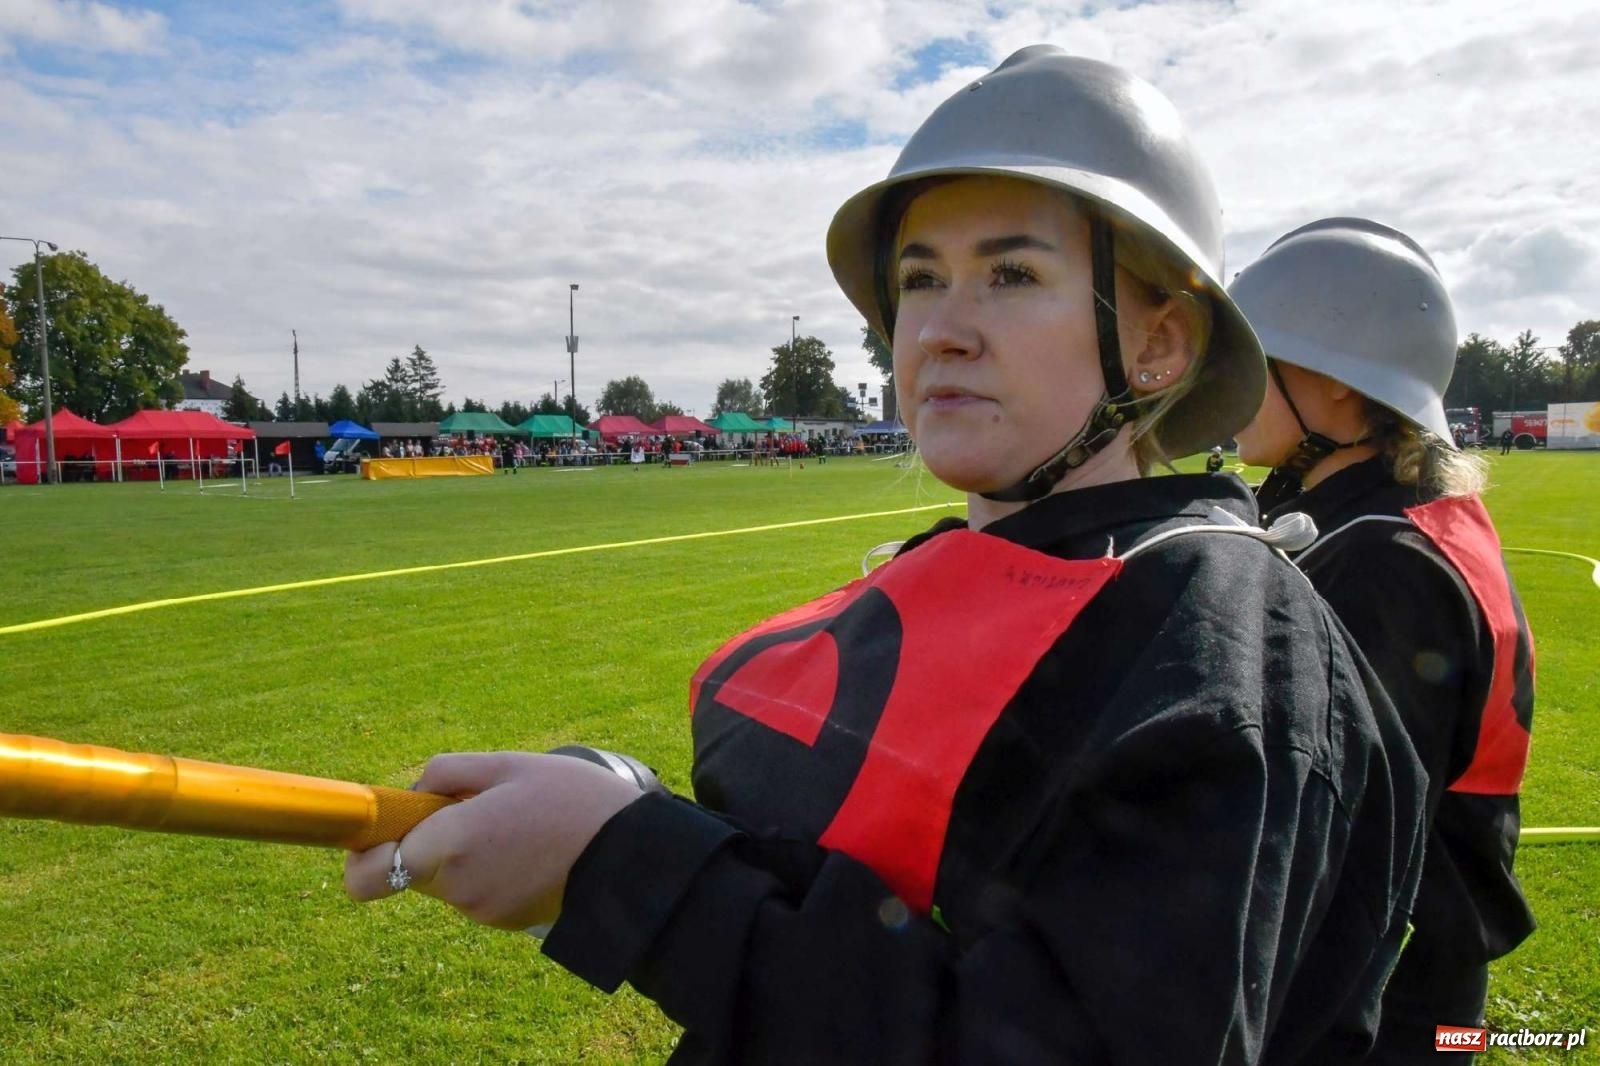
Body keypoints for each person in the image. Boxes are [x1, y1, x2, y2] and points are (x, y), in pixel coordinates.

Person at [346, 47, 1425, 1063]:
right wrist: (630, 815)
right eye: (918, 279)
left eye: (1009, 275)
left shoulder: (1222, 646)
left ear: (1157, 344)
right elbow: (848, 897)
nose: (939, 331)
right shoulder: (964, 563)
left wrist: (629, 864)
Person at [1229, 219, 1535, 1063]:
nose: (1231, 382)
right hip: (1420, 973)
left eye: (1258, 358)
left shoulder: (1380, 565)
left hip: (1384, 1005)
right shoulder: (1399, 523)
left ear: (1337, 387)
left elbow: (1337, 841)